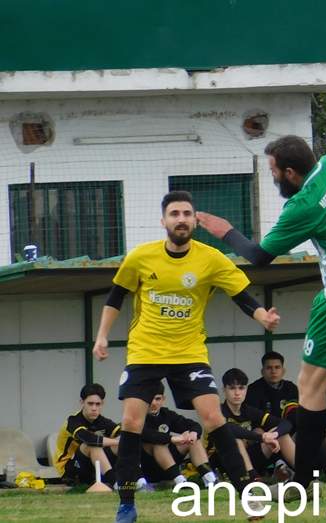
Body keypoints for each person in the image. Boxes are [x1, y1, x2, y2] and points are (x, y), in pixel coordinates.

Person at [196, 134, 326, 494]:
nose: (274, 177)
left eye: (274, 172)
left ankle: (303, 482)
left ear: (290, 172)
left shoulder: (303, 205)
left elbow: (259, 256)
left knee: (308, 389)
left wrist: (224, 230)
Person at [92, 190, 280, 523]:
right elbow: (116, 296)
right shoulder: (141, 257)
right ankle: (127, 504)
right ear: (163, 221)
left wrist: (262, 315)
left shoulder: (211, 259)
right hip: (146, 352)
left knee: (214, 418)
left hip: (189, 352)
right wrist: (102, 335)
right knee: (132, 422)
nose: (181, 219)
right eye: (175, 214)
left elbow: (241, 295)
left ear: (195, 221)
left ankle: (248, 497)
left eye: (187, 214)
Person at [245, 352, 326, 479]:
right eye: (269, 368)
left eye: (277, 367)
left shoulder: (292, 389)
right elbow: (262, 427)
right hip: (275, 445)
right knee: (307, 429)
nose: (273, 371)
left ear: (283, 370)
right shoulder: (254, 390)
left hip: (303, 448)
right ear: (262, 371)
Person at [206, 368, 296, 481]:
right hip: (220, 462)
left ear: (246, 390)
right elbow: (229, 429)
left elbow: (286, 423)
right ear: (224, 390)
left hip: (246, 459)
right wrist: (261, 437)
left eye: (241, 388)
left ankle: (304, 473)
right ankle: (252, 478)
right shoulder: (217, 411)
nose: (237, 393)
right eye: (232, 388)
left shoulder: (248, 410)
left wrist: (275, 434)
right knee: (237, 440)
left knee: (281, 434)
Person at [140, 382, 217, 487]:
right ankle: (181, 482)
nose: (153, 403)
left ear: (163, 399)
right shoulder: (136, 416)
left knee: (192, 440)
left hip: (169, 465)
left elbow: (193, 425)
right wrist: (172, 439)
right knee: (158, 444)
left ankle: (210, 479)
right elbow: (147, 435)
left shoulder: (166, 414)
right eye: (150, 399)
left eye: (157, 399)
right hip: (148, 468)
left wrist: (193, 433)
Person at [54, 384, 119, 486]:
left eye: (98, 404)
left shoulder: (102, 421)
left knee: (122, 444)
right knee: (91, 445)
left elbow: (123, 434)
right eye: (90, 404)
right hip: (68, 469)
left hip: (90, 465)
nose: (94, 408)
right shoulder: (73, 421)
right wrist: (117, 441)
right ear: (82, 402)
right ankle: (114, 482)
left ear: (102, 404)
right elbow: (89, 439)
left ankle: (136, 480)